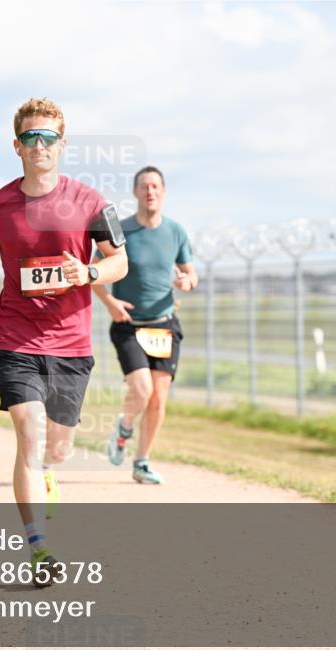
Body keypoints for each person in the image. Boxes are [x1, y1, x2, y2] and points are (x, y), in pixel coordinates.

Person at [0, 98, 127, 585]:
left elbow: (120, 260)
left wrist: (91, 271)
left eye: (48, 137)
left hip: (72, 343)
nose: (40, 145)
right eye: (30, 137)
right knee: (29, 433)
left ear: (63, 144)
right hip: (14, 336)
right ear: (16, 145)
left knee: (56, 448)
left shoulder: (93, 202)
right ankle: (38, 546)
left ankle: (48, 475)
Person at [93, 166, 197, 484]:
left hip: (164, 324)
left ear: (163, 192)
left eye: (155, 186)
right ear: (135, 192)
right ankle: (124, 428)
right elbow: (94, 272)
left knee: (157, 398)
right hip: (129, 325)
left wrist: (186, 281)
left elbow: (191, 274)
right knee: (141, 389)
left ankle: (142, 462)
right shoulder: (120, 231)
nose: (150, 191)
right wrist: (110, 303)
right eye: (143, 186)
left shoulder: (176, 232)